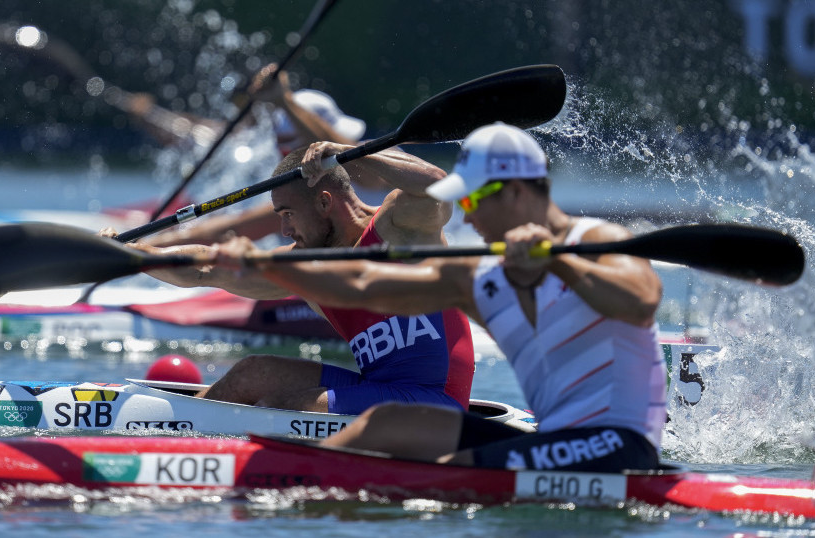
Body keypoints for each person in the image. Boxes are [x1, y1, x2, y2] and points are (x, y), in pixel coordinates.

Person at [212, 122, 667, 473]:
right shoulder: (481, 276)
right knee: (385, 424)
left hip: (617, 445)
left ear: (513, 192)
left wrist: (557, 262)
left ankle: (304, 487)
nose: (468, 220)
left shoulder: (598, 238)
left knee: (446, 476)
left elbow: (641, 302)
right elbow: (365, 287)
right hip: (555, 440)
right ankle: (285, 485)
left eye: (472, 203)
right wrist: (265, 265)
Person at [111, 140, 476, 415]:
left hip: (436, 400)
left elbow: (439, 184)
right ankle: (170, 427)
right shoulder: (309, 267)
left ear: (324, 202)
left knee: (287, 404)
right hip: (379, 388)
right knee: (253, 373)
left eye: (288, 214)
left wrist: (352, 152)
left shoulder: (399, 226)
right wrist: (132, 257)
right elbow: (206, 268)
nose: (284, 230)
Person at [143, 63, 371, 247]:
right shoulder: (301, 196)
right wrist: (153, 243)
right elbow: (233, 226)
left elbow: (353, 159)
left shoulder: (374, 168)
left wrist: (285, 101)